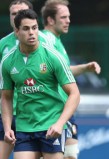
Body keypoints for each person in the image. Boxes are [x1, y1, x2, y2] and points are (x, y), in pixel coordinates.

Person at [1, 9, 80, 159]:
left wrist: (59, 123)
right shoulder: (7, 61)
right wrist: (7, 127)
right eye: (26, 28)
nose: (31, 32)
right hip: (24, 127)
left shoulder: (52, 56)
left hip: (51, 126)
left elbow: (74, 93)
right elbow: (6, 97)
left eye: (34, 27)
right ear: (16, 32)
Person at [40, 0, 101, 158]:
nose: (68, 21)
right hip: (54, 109)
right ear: (50, 20)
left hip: (64, 107)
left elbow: (63, 72)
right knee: (68, 154)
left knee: (70, 154)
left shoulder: (56, 40)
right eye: (63, 17)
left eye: (69, 17)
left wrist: (85, 67)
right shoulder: (45, 40)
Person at [0, 1, 33, 159]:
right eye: (14, 14)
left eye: (22, 12)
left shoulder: (42, 43)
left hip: (33, 114)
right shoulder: (2, 45)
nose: (18, 17)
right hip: (8, 113)